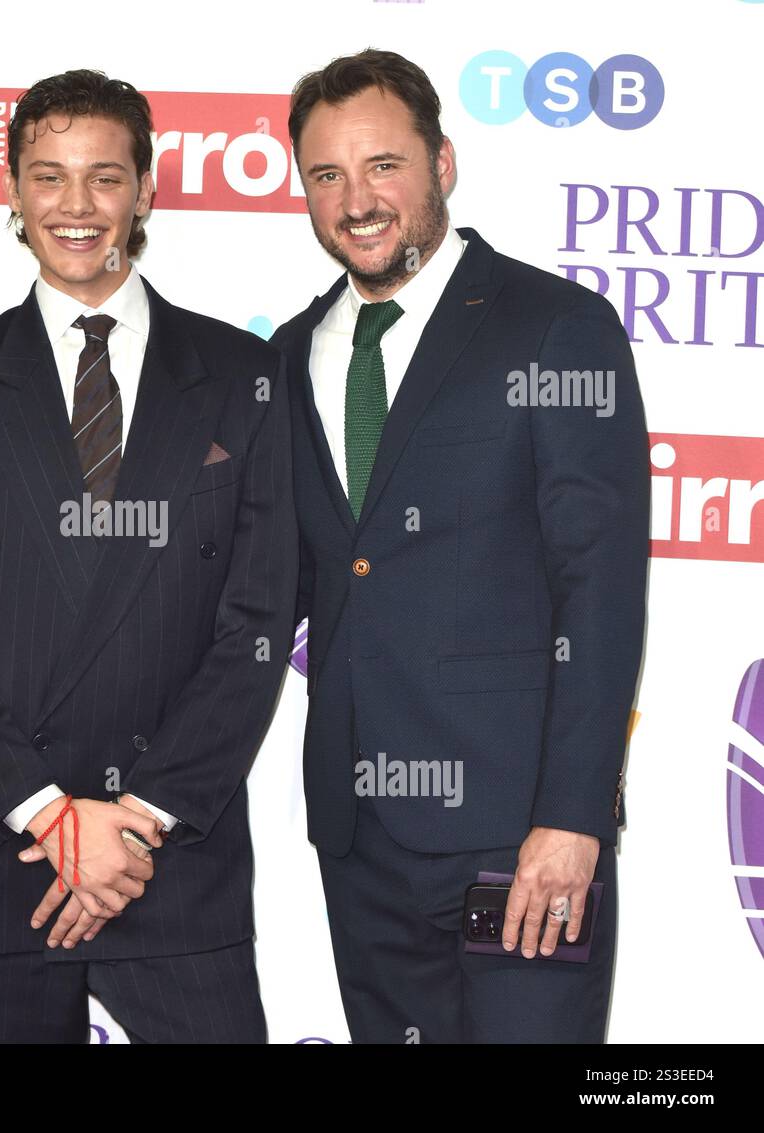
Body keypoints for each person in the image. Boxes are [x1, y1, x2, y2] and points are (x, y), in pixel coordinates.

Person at [0, 69, 296, 1043]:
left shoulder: (243, 376)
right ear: (14, 191)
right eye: (49, 177)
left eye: (104, 177)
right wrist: (50, 816)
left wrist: (136, 820)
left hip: (170, 857)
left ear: (144, 190)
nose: (76, 206)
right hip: (3, 853)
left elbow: (257, 622)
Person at [273, 49, 648, 1043]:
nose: (356, 200)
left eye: (383, 165)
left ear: (441, 163)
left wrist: (572, 816)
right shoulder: (289, 354)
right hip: (359, 837)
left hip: (514, 835)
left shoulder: (554, 327)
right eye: (326, 174)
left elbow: (599, 586)